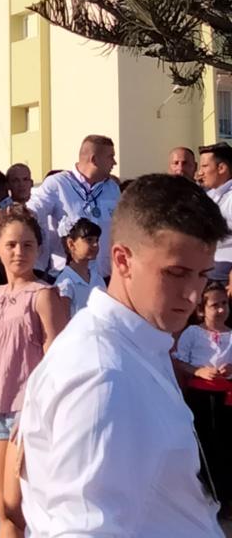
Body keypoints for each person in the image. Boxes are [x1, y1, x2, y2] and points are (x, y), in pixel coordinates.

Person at [20, 174, 229, 537]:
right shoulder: (101, 374)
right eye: (176, 273)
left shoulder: (139, 345)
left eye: (202, 275)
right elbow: (82, 529)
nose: (193, 295)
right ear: (122, 260)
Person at [0, 206, 68, 538]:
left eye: (28, 245)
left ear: (38, 249)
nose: (19, 252)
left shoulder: (44, 296)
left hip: (27, 412)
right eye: (11, 245)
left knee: (18, 505)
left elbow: (58, 359)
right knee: (3, 509)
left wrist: (35, 414)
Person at [173, 280, 232, 517]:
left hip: (226, 396)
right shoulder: (193, 333)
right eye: (215, 305)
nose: (221, 309)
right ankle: (209, 494)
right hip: (201, 396)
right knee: (205, 443)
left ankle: (225, 496)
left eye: (224, 303)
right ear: (201, 309)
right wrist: (198, 371)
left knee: (226, 443)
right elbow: (179, 359)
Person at [27, 134, 120, 278]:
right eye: (110, 157)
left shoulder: (112, 188)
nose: (114, 163)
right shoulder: (57, 184)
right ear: (94, 160)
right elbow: (35, 208)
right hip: (66, 278)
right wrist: (24, 212)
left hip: (103, 278)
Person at [53, 216, 106, 317]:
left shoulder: (97, 278)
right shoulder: (65, 283)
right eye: (89, 240)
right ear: (71, 244)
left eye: (97, 240)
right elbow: (62, 320)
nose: (95, 244)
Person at [198, 143, 232, 284]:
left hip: (224, 265)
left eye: (205, 166)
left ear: (221, 168)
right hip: (207, 261)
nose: (200, 172)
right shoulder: (209, 195)